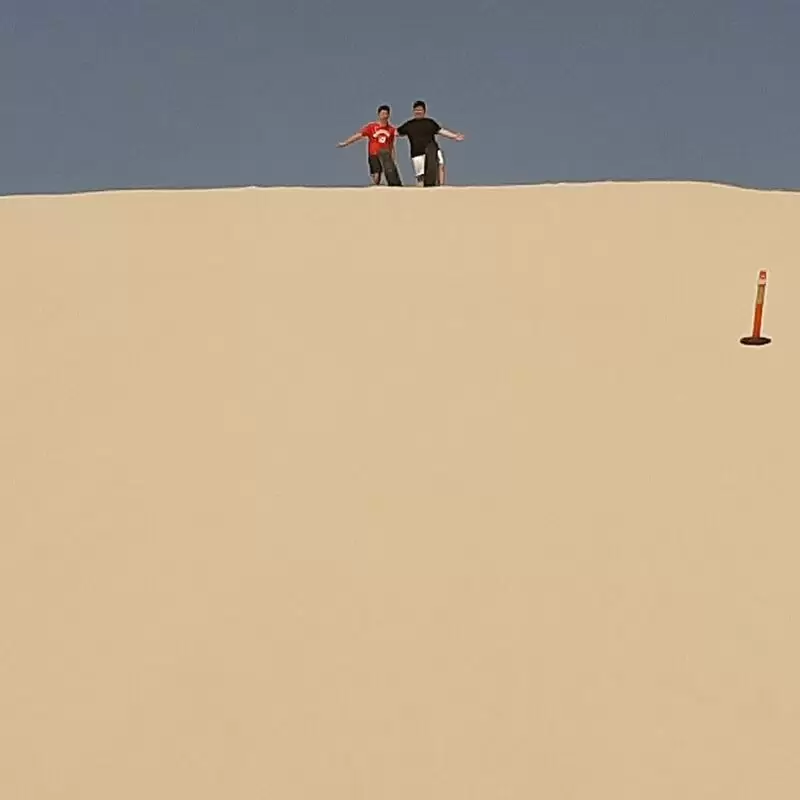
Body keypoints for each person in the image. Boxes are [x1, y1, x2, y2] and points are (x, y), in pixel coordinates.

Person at [396, 100, 464, 186]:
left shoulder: (430, 122)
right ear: (413, 111)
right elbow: (395, 133)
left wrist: (454, 136)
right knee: (420, 177)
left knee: (440, 164)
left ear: (424, 111)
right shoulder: (409, 125)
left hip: (432, 150)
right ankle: (421, 194)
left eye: (420, 110)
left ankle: (441, 186)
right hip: (417, 154)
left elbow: (441, 131)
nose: (418, 112)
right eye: (416, 110)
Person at [336, 105, 399, 185]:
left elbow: (391, 145)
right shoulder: (371, 127)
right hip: (374, 154)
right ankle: (375, 185)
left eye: (386, 114)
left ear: (389, 115)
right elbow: (359, 135)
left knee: (387, 173)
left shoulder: (391, 129)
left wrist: (393, 158)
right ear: (379, 115)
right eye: (382, 114)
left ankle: (380, 185)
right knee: (376, 174)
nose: (384, 116)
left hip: (385, 155)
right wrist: (345, 143)